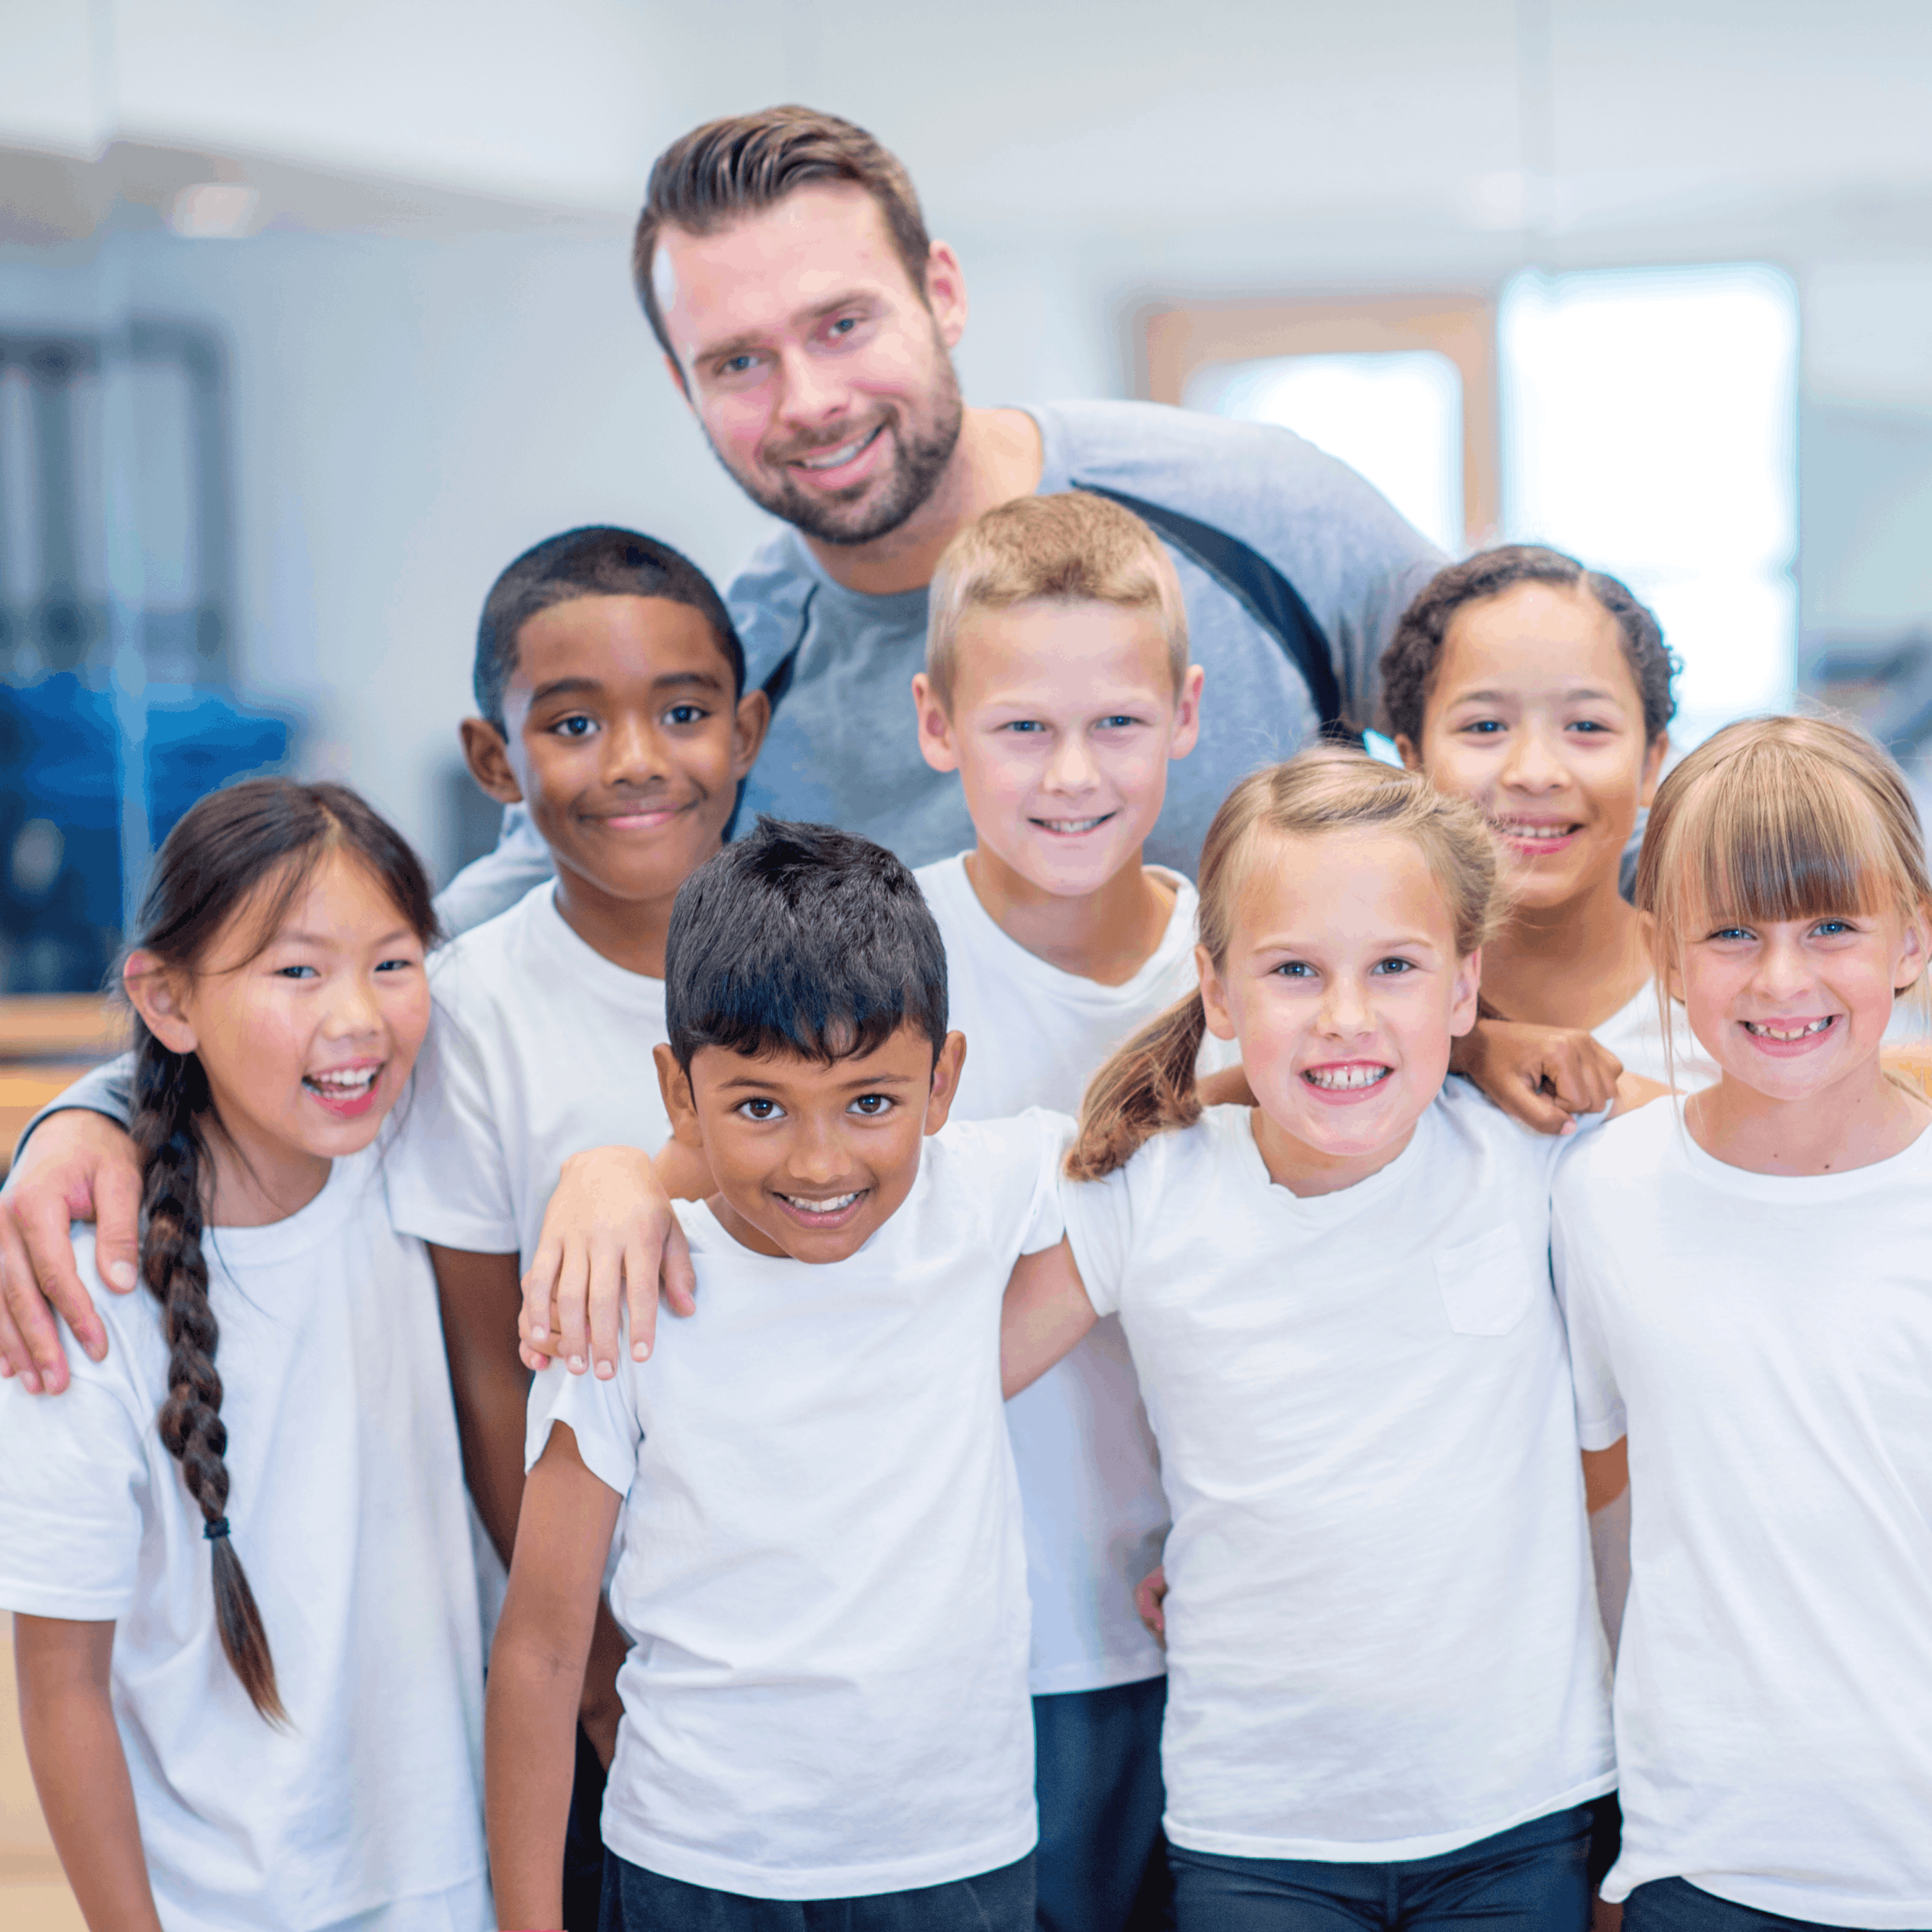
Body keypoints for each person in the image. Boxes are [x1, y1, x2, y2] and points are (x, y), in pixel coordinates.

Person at [0, 104, 1614, 1391]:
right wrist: (100, 1101)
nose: (808, 397)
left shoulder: (1254, 510)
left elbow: (1532, 741)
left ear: (945, 294)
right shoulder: (736, 672)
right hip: (979, 1413)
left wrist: (1520, 1025)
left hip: (1336, 1350)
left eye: (843, 323)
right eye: (738, 362)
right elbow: (455, 933)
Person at [1000, 751, 1638, 1931]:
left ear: (1463, 983)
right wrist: (626, 1177)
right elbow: (926, 1373)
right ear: (1219, 989)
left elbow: (1790, 1131)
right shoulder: (1146, 1188)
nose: (1346, 1016)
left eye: (1394, 966)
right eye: (1293, 969)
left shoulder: (1535, 1155)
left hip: (1517, 1815)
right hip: (1258, 1830)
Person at [488, 818, 1063, 1929]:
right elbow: (544, 1644)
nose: (819, 1161)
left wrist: (1470, 1044)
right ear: (679, 1091)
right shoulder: (623, 1287)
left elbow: (1211, 1111)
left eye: (871, 1102)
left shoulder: (981, 1198)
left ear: (944, 1083)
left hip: (957, 1860)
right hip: (695, 1866)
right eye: (759, 1107)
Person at [0, 779, 489, 1932]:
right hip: (221, 1902)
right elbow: (59, 1683)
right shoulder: (85, 1288)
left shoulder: (425, 1154)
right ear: (166, 998)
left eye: (393, 961)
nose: (358, 1017)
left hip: (460, 1881)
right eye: (296, 970)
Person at [380, 525, 767, 1925]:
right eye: (573, 723)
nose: (636, 762)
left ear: (748, 726)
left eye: (680, 712)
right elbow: (494, 1371)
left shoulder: (835, 947)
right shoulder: (471, 1010)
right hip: (611, 1655)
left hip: (827, 1619)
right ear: (496, 761)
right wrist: (595, 1667)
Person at [1551, 714, 1932, 1931]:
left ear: (1912, 934)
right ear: (1662, 952)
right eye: (1730, 933)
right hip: (1704, 1857)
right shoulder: (1600, 1191)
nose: (1780, 979)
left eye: (1830, 924)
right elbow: (1590, 1492)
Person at [909, 491, 1222, 1929]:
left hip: (1219, 1649)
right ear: (936, 721)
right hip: (968, 1653)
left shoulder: (1269, 974)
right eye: (1023, 728)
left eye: (1119, 725)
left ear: (1188, 712)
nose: (1073, 775)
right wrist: (617, 1178)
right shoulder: (882, 961)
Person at [1381, 544, 1715, 1092]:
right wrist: (1465, 1048)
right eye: (1485, 727)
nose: (1535, 773)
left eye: (1586, 726)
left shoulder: (1736, 1012)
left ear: (1652, 764)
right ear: (1412, 762)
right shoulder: (1348, 1011)